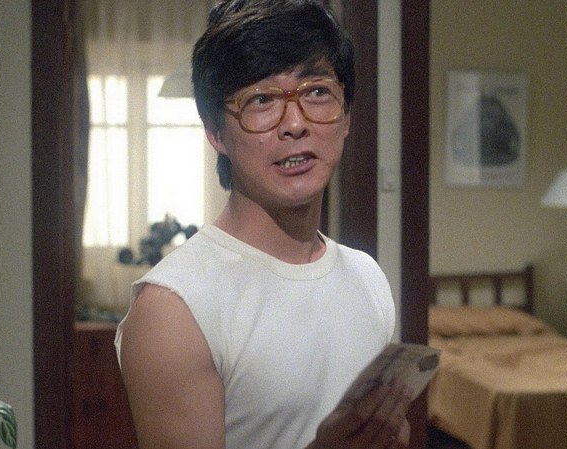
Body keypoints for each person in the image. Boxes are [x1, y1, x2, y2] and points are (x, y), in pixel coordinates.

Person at [115, 1, 413, 447]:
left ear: (347, 115)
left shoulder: (367, 277)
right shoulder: (174, 308)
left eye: (317, 92)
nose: (294, 123)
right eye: (261, 100)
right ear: (215, 132)